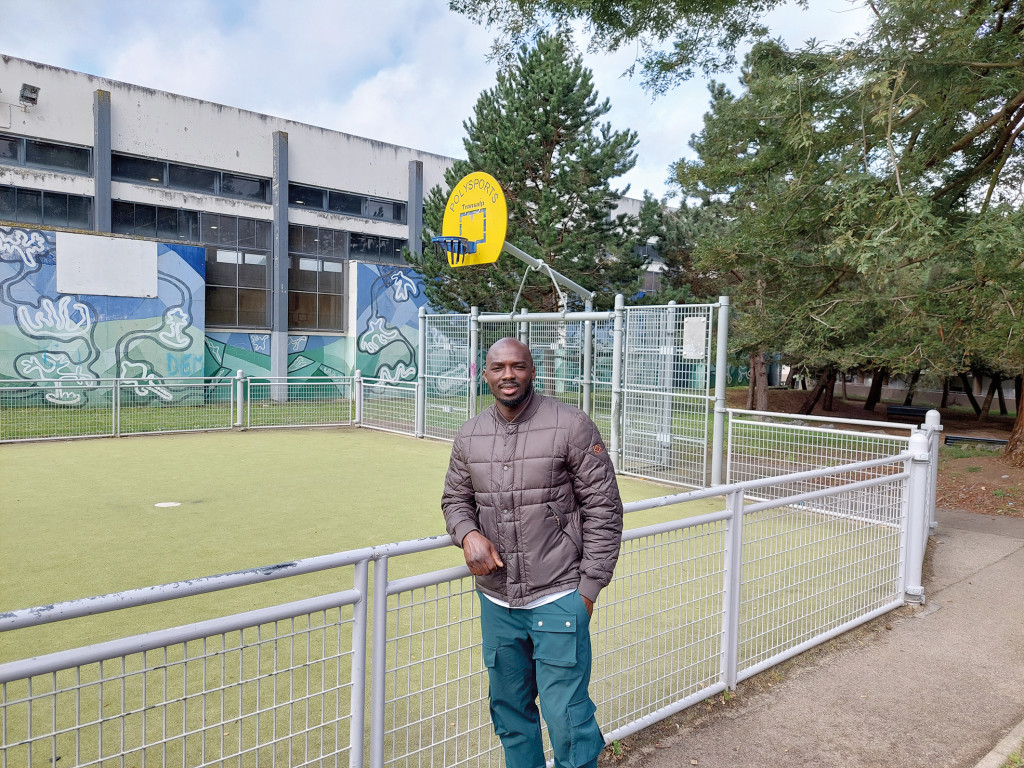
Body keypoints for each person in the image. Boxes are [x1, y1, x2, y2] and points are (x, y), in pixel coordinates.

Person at [441, 337, 624, 768]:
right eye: (499, 367)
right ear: (484, 374)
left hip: (559, 595)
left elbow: (604, 507)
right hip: (497, 602)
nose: (508, 375)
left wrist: (589, 590)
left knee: (568, 719)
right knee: (510, 714)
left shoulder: (571, 424)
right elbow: (455, 500)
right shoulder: (470, 435)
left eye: (518, 367)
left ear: (532, 371)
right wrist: (467, 533)